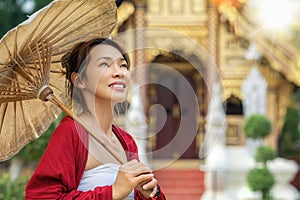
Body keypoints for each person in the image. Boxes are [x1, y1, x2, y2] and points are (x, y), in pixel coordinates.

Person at [25, 38, 166, 200]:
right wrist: (113, 192)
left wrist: (149, 194)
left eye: (123, 65)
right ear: (79, 80)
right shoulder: (71, 132)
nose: (119, 72)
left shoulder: (126, 141)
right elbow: (40, 197)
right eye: (105, 64)